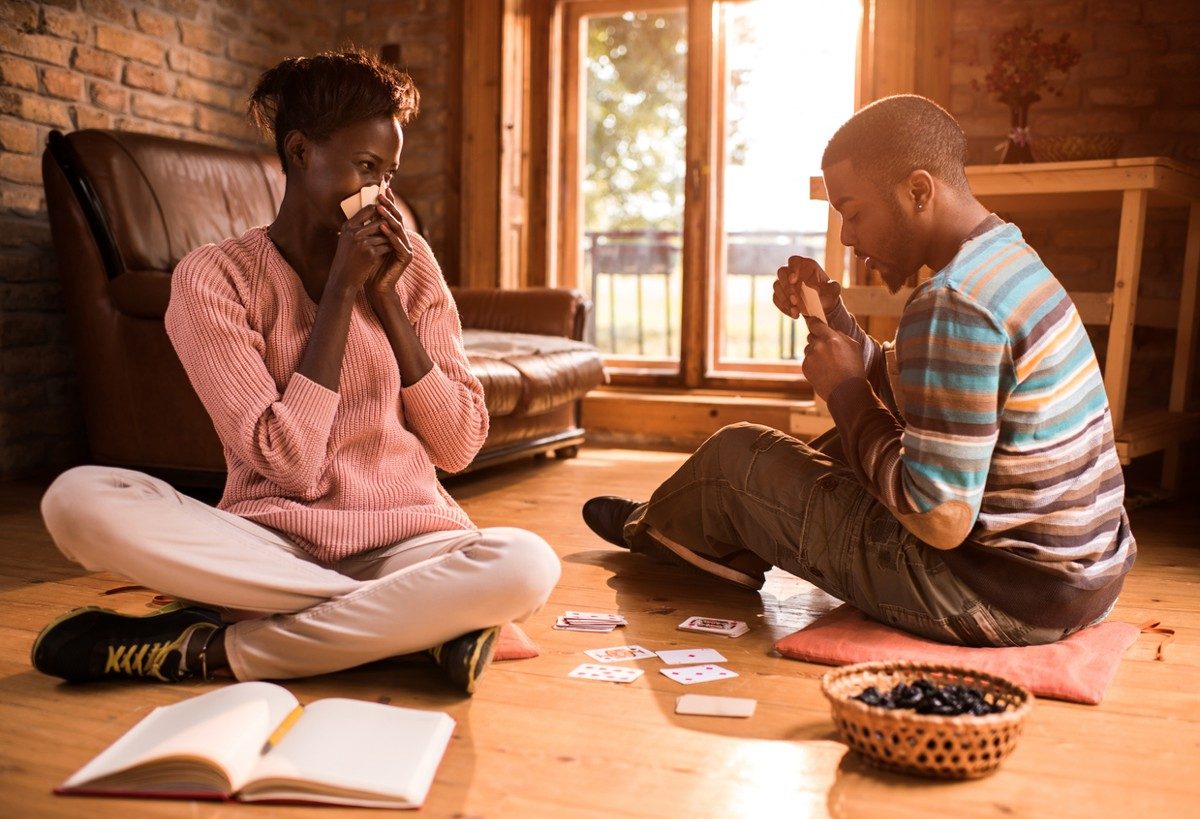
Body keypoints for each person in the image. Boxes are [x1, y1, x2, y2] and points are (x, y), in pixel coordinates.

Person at [32, 49, 561, 693]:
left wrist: (386, 300)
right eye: (366, 168)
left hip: (411, 540)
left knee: (525, 564)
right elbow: (289, 466)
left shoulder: (410, 262)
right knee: (78, 501)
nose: (380, 194)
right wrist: (340, 294)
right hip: (272, 548)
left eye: (389, 174)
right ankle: (417, 626)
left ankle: (216, 650)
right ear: (302, 151)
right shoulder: (214, 278)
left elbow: (457, 446)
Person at [582, 94, 1135, 647]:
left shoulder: (952, 301)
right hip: (1078, 580)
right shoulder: (1004, 259)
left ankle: (661, 530)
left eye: (853, 211)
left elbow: (941, 517)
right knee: (841, 444)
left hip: (990, 595)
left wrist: (845, 389)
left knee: (735, 456)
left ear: (918, 191)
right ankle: (687, 522)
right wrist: (837, 321)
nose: (846, 236)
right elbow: (929, 395)